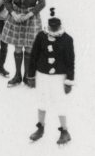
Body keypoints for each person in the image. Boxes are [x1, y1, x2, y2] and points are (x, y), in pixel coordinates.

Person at [27, 9, 74, 144]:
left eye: (55, 27)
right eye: (51, 27)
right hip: (42, 75)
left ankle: (65, 131)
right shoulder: (41, 36)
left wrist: (69, 81)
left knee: (59, 102)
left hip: (59, 77)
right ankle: (40, 128)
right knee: (42, 100)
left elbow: (70, 62)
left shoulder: (67, 39)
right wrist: (31, 76)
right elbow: (34, 56)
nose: (53, 29)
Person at [0, 0, 46, 86]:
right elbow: (7, 0)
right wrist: (13, 13)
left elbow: (42, 2)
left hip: (31, 17)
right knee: (18, 47)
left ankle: (28, 76)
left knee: (29, 48)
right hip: (17, 16)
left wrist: (29, 14)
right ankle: (17, 75)